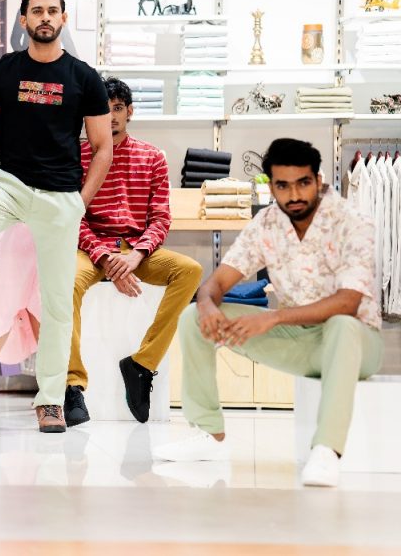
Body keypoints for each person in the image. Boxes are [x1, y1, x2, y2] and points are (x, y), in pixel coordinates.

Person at [154, 138, 384, 488]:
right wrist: (206, 304)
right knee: (192, 319)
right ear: (271, 186)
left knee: (342, 324)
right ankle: (209, 434)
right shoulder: (267, 224)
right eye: (283, 185)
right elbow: (218, 282)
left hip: (356, 343)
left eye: (303, 183)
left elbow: (348, 303)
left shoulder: (352, 221)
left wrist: (273, 317)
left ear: (318, 180)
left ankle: (326, 450)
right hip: (299, 343)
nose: (294, 194)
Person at [0, 0, 113, 434]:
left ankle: (50, 400)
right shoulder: (1, 72)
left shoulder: (84, 78)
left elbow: (103, 148)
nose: (45, 17)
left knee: (57, 305)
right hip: (9, 185)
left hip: (59, 197)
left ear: (63, 19)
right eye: (37, 10)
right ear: (23, 19)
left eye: (53, 10)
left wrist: (79, 203)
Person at [64, 77, 203, 426]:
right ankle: (73, 385)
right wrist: (106, 258)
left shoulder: (152, 157)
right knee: (67, 284)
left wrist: (136, 256)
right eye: (103, 109)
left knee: (190, 271)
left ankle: (142, 364)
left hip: (137, 250)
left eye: (117, 108)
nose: (111, 116)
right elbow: (72, 217)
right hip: (93, 250)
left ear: (130, 111)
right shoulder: (76, 156)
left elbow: (161, 218)